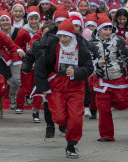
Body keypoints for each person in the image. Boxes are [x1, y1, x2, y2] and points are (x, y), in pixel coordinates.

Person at [34, 19, 94, 159]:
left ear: (72, 35)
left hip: (76, 87)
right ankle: (64, 125)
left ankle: (71, 145)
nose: (62, 39)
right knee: (60, 117)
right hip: (57, 85)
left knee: (76, 118)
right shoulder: (53, 45)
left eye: (65, 36)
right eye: (60, 36)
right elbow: (41, 66)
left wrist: (76, 73)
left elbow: (89, 68)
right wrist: (42, 87)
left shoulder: (82, 47)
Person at [89, 14, 128, 142]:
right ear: (98, 30)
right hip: (101, 79)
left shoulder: (118, 41)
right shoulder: (91, 43)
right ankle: (106, 135)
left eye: (110, 29)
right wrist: (95, 64)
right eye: (105, 29)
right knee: (103, 108)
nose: (108, 32)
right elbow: (87, 60)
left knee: (122, 104)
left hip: (118, 77)